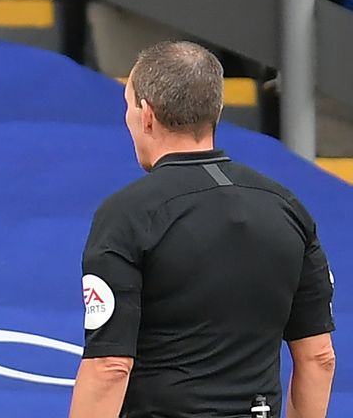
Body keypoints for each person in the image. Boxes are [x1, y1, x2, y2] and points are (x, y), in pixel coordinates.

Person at [69, 41, 335, 418]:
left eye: (128, 106)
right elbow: (319, 357)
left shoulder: (127, 214)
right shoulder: (286, 207)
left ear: (146, 114)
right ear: (217, 111)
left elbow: (109, 367)